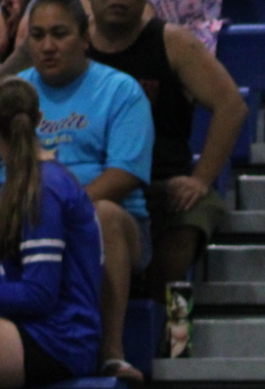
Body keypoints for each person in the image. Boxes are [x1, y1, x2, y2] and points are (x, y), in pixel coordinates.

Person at [0, 1, 154, 379]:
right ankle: (1, 343)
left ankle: (110, 350)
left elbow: (125, 173)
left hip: (99, 217)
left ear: (85, 39)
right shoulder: (11, 92)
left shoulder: (121, 90)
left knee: (105, 217)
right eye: (38, 35)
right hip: (16, 217)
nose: (48, 45)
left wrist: (65, 208)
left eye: (60, 34)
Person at [0, 77, 103, 389]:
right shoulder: (31, 180)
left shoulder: (44, 189)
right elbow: (17, 283)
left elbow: (39, 296)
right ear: (40, 120)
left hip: (60, 340)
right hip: (42, 330)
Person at [86, 0, 247, 294]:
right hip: (93, 183)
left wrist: (200, 179)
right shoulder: (70, 42)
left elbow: (231, 106)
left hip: (165, 187)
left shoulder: (173, 43)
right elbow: (3, 90)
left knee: (187, 225)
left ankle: (173, 333)